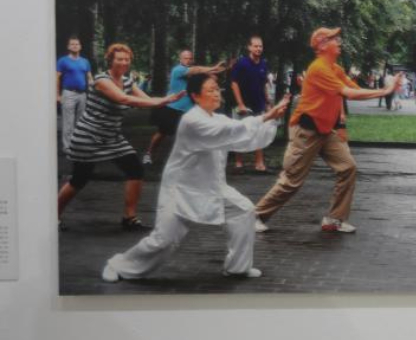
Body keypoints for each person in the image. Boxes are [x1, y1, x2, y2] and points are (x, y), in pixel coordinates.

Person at [102, 73, 290, 282]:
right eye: (210, 90)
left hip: (213, 187)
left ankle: (238, 267)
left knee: (244, 211)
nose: (217, 93)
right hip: (181, 190)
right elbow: (230, 130)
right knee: (164, 240)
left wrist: (270, 120)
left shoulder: (218, 118)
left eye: (217, 89)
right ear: (195, 95)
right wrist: (265, 117)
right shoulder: (192, 120)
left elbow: (242, 139)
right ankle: (118, 265)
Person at [254, 26, 400, 234]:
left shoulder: (335, 68)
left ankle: (334, 219)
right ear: (322, 45)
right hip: (306, 131)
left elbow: (355, 89)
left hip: (324, 130)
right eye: (334, 39)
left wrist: (386, 90)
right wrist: (385, 90)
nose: (339, 42)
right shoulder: (318, 68)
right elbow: (347, 93)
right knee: (292, 181)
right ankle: (256, 215)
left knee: (347, 168)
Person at [58, 44, 184, 230]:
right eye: (119, 59)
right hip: (89, 136)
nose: (124, 62)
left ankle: (129, 217)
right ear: (111, 60)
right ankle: (53, 216)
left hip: (112, 137)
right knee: (79, 179)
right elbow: (124, 99)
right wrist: (163, 101)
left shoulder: (127, 82)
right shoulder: (102, 80)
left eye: (127, 59)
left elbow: (146, 101)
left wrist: (166, 102)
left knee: (136, 170)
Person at [144, 49, 226, 165]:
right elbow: (196, 69)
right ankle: (148, 154)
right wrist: (213, 68)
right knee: (162, 133)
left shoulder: (193, 74)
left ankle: (195, 159)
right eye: (185, 58)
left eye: (190, 58)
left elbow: (211, 78)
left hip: (189, 110)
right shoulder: (178, 70)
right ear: (180, 59)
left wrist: (215, 72)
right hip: (172, 108)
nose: (188, 60)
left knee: (195, 133)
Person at [230, 35, 273, 172]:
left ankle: (259, 164)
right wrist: (240, 104)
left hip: (258, 104)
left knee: (259, 133)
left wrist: (267, 102)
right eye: (255, 46)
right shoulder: (242, 63)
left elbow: (264, 84)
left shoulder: (263, 64)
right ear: (249, 47)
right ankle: (238, 164)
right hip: (242, 105)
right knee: (240, 132)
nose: (258, 48)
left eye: (260, 46)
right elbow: (234, 83)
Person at [56, 35, 94, 152]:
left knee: (81, 121)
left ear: (80, 47)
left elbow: (89, 78)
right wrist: (57, 95)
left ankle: (78, 144)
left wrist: (93, 88)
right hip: (68, 93)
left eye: (77, 44)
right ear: (68, 46)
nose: (75, 46)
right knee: (68, 121)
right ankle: (67, 147)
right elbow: (57, 78)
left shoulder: (85, 61)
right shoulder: (63, 60)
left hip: (82, 94)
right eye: (72, 44)